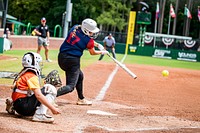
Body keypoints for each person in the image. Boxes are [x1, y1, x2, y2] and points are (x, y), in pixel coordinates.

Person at [57, 18, 108, 105]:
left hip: (61, 57)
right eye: (91, 32)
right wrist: (103, 52)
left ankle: (81, 99)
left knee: (80, 76)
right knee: (70, 87)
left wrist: (97, 44)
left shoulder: (75, 27)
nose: (92, 33)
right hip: (72, 61)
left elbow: (84, 38)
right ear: (86, 30)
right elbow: (92, 52)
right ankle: (50, 95)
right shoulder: (89, 41)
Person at [5, 52, 60, 123]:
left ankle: (12, 105)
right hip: (24, 106)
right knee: (50, 88)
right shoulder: (31, 76)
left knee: (37, 92)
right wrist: (52, 108)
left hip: (18, 105)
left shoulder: (23, 73)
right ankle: (40, 115)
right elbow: (38, 95)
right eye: (38, 62)